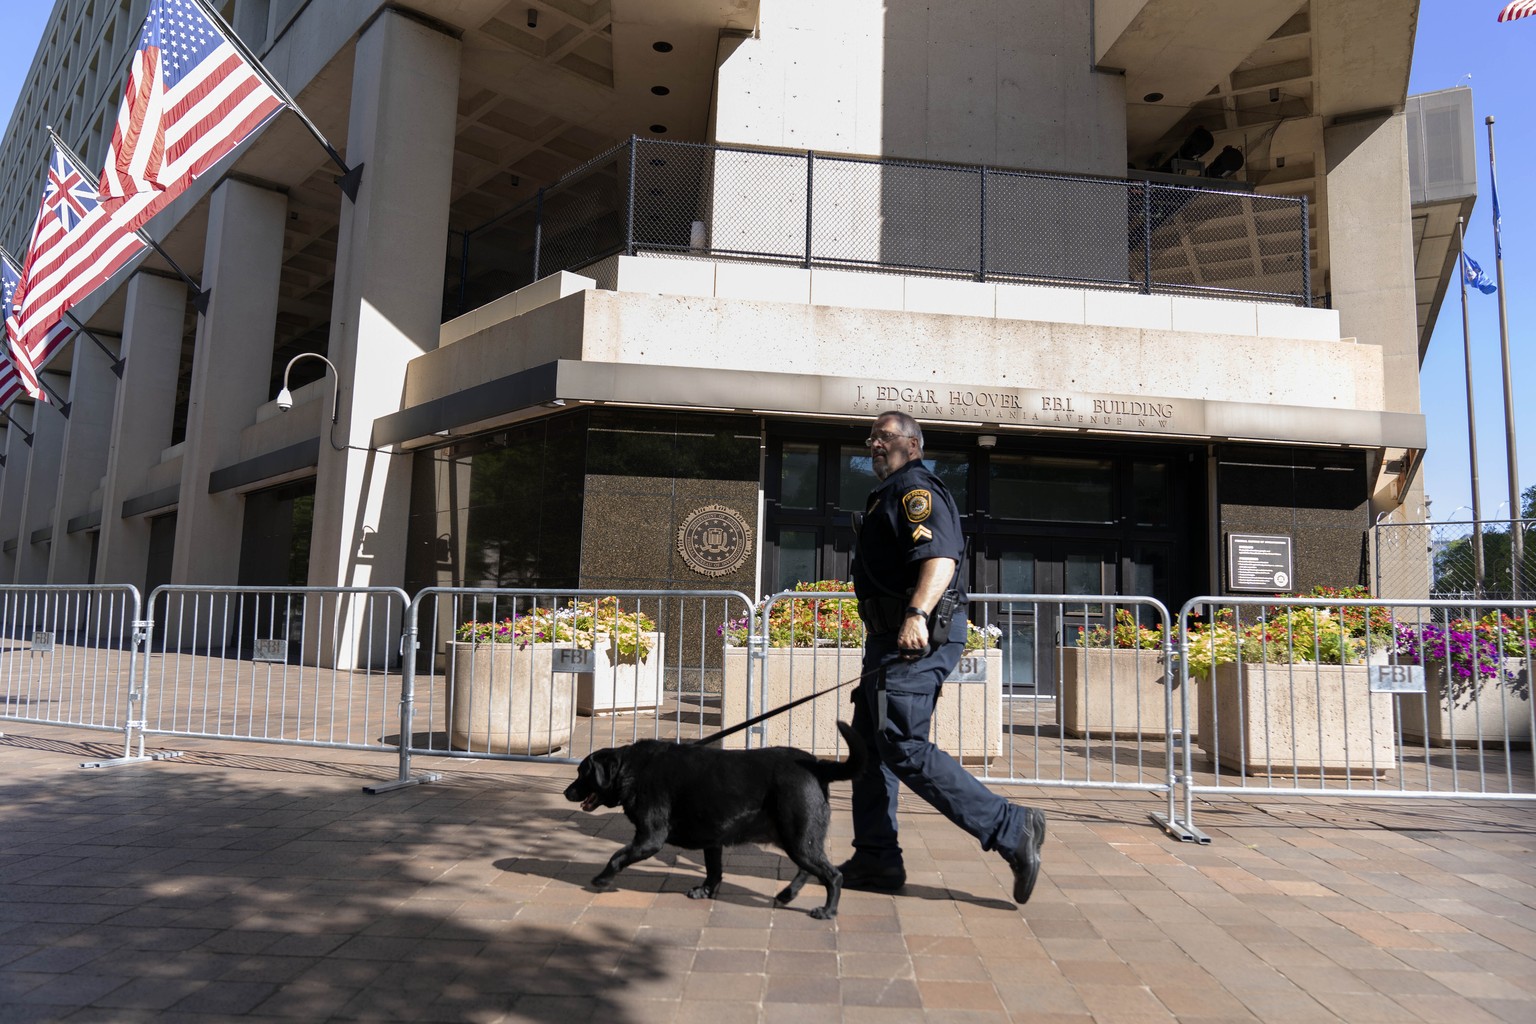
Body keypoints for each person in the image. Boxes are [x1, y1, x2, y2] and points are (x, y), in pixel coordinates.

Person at [841, 411, 1046, 905]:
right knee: (871, 747)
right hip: (887, 639)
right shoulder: (888, 492)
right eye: (871, 437)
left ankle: (1011, 826)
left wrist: (915, 614)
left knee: (903, 743)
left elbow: (940, 558)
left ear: (911, 444)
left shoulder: (916, 489)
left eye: (884, 437)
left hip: (914, 634)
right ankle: (876, 858)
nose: (874, 444)